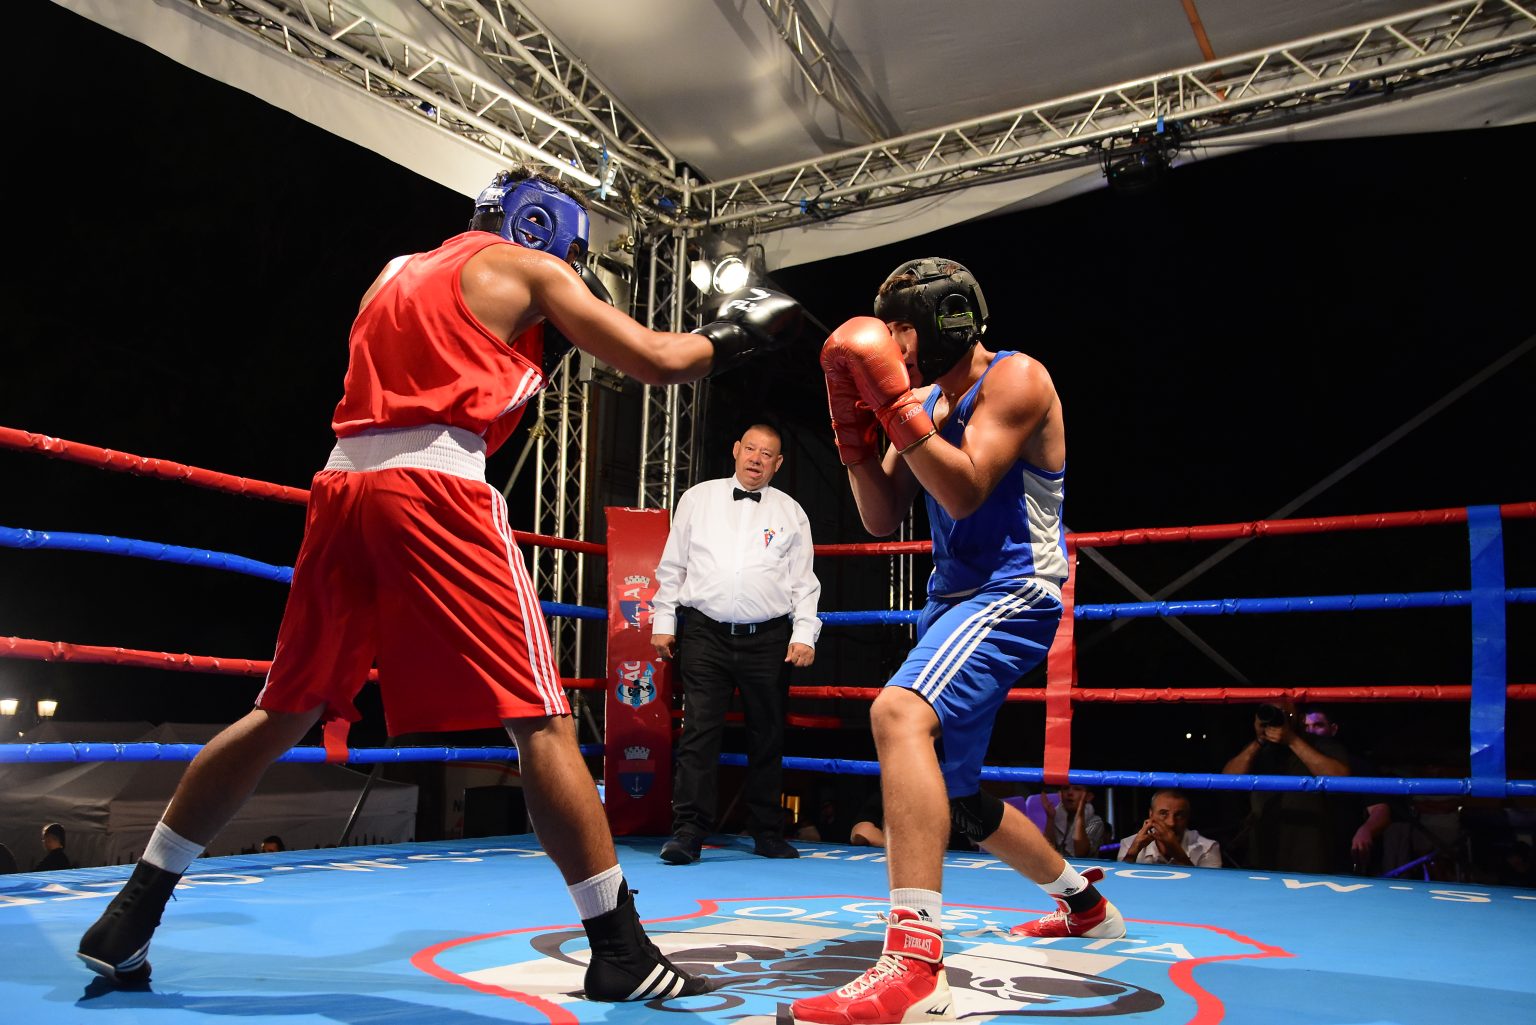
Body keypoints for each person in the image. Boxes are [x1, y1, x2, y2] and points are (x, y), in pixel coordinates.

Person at [76, 164, 805, 999]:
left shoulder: (393, 272)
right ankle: (620, 949)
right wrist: (737, 332)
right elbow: (657, 359)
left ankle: (131, 911)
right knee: (542, 718)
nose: (566, 269)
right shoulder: (527, 266)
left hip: (341, 488)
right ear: (541, 230)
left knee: (282, 710)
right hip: (435, 485)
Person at [791, 258, 1124, 1025]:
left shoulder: (1016, 379)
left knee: (897, 713)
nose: (893, 346)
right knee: (960, 801)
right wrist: (853, 432)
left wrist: (893, 406)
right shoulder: (926, 401)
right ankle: (1086, 906)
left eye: (902, 330)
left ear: (946, 321)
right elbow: (881, 514)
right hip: (952, 602)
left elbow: (967, 487)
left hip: (1015, 591)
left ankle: (915, 966)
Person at [649, 421, 822, 864]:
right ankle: (688, 832)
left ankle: (766, 830)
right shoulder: (697, 498)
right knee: (699, 732)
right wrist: (663, 619)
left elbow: (804, 581)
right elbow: (673, 565)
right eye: (751, 449)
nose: (756, 459)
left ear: (777, 464)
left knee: (768, 734)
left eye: (767, 454)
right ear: (735, 449)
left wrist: (804, 632)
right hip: (705, 633)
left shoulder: (792, 512)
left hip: (768, 638)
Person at [1221, 701, 1352, 873]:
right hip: (1264, 850)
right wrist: (1259, 740)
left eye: (1282, 713)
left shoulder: (1320, 745)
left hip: (1311, 851)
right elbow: (1227, 782)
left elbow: (1340, 778)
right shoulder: (1258, 750)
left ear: (1300, 718)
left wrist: (1291, 740)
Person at [1299, 706, 1401, 873]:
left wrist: (1366, 830)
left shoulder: (1355, 764)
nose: (1311, 731)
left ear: (1333, 729)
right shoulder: (1290, 764)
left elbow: (1380, 809)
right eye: (1305, 727)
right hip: (1299, 853)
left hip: (1340, 853)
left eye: (1318, 725)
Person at [1117, 789, 1223, 868]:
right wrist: (1133, 851)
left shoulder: (1207, 848)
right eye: (1163, 813)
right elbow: (1120, 884)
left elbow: (1207, 887)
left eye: (1179, 815)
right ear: (1151, 814)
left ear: (1187, 817)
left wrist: (1177, 853)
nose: (1171, 823)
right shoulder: (1129, 844)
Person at [1042, 784, 1110, 859]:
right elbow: (1047, 849)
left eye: (1077, 789)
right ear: (1060, 794)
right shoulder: (1056, 815)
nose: (1069, 793)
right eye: (1066, 788)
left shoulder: (1095, 822)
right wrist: (1050, 818)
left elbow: (1080, 854)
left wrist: (1079, 817)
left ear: (1088, 796)